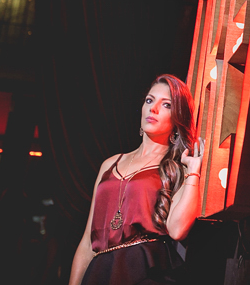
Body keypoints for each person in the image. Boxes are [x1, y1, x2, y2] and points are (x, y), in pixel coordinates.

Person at [68, 74, 205, 285]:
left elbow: (177, 230)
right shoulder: (110, 164)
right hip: (100, 272)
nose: (154, 109)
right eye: (150, 100)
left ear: (177, 118)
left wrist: (193, 171)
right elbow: (87, 242)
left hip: (144, 272)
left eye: (166, 105)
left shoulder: (176, 168)